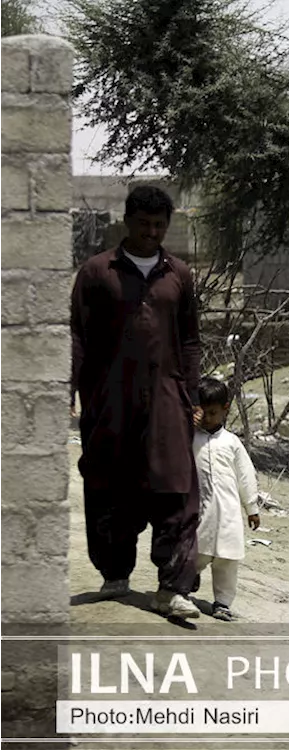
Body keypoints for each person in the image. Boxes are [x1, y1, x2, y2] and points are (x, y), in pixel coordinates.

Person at [70, 185, 203, 620]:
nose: (151, 233)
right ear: (127, 221)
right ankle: (114, 575)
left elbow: (190, 341)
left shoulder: (178, 275)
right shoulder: (96, 272)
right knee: (108, 482)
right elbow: (77, 336)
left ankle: (172, 588)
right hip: (109, 400)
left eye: (159, 226)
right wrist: (69, 391)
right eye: (144, 224)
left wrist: (193, 396)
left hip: (167, 399)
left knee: (176, 489)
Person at [192, 376, 260, 621]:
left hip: (230, 514)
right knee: (196, 552)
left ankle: (222, 602)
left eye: (212, 413)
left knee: (227, 561)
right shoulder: (191, 438)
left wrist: (251, 507)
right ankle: (188, 579)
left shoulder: (231, 442)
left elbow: (245, 475)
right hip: (201, 512)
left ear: (225, 409)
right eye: (203, 413)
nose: (207, 418)